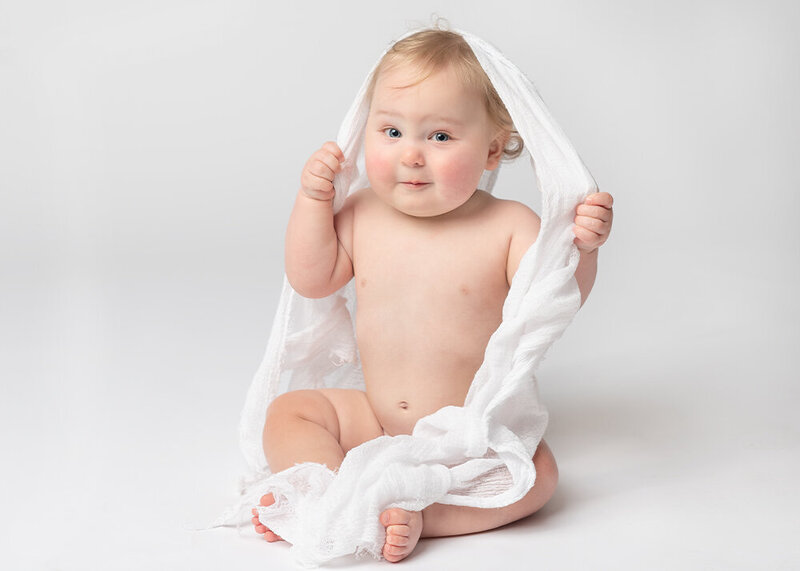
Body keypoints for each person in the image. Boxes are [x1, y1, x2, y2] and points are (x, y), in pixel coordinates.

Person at [251, 28, 613, 563]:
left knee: (539, 474)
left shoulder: (509, 226)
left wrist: (582, 248)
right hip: (372, 417)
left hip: (468, 431)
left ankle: (430, 515)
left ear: (492, 150)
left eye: (440, 137)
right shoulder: (360, 212)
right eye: (392, 131)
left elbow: (552, 302)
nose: (412, 155)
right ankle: (325, 497)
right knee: (292, 411)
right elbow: (313, 278)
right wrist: (312, 201)